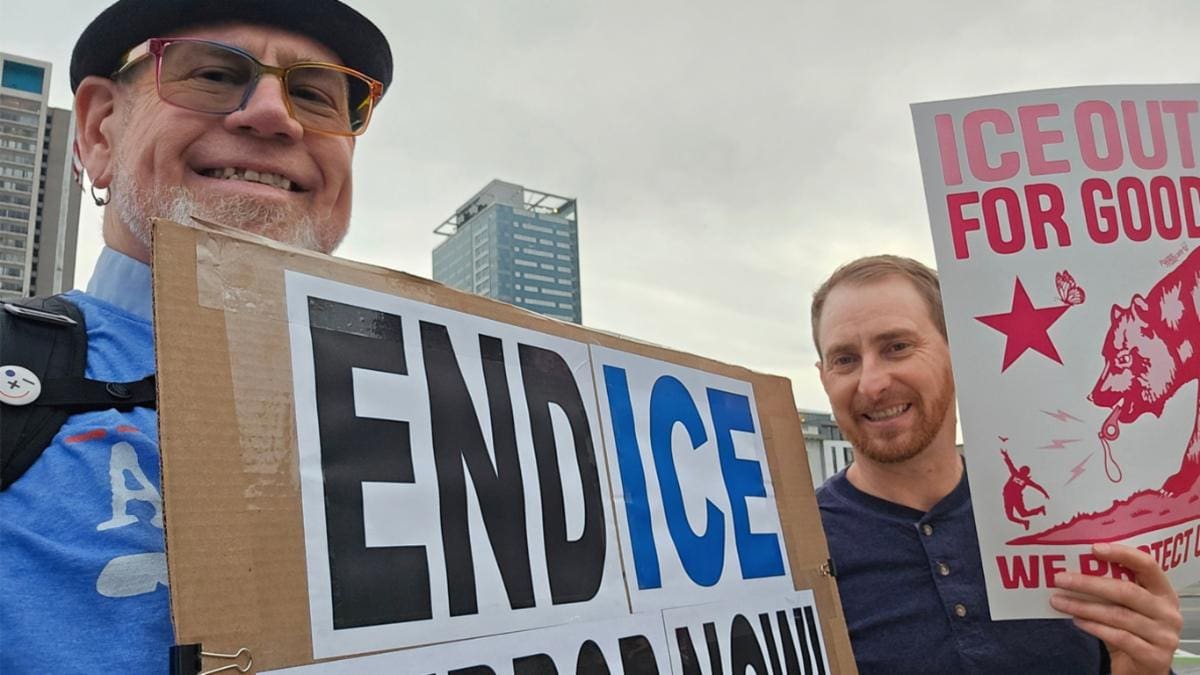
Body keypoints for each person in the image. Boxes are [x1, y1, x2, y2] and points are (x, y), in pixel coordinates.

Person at [0, 1, 392, 671]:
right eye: (212, 74)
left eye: (315, 94)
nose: (274, 114)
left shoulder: (439, 405)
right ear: (98, 131)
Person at [809, 255, 1182, 675]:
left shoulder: (1070, 520)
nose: (872, 382)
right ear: (824, 377)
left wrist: (1145, 668)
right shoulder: (795, 554)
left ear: (960, 354)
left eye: (896, 347)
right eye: (844, 359)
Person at [1001, 448, 1049, 530]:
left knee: (1023, 514)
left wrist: (1045, 493)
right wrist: (1005, 455)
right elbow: (1010, 464)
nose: (1022, 472)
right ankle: (1025, 522)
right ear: (1020, 470)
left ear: (1026, 473)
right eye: (1022, 470)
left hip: (1016, 498)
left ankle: (1040, 509)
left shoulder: (1026, 480)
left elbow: (1037, 486)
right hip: (1007, 496)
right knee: (1010, 517)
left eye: (1024, 471)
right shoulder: (1015, 473)